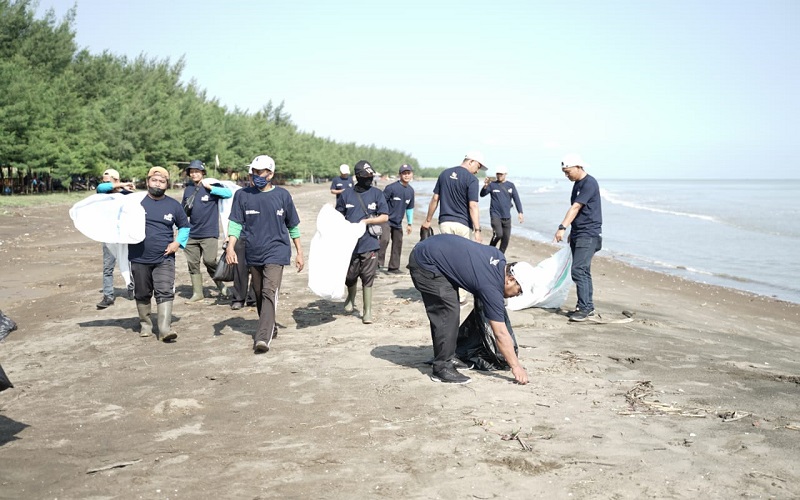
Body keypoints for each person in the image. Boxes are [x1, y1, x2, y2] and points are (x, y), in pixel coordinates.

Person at [407, 234, 530, 385]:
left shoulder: (499, 257)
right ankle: (442, 368)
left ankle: (450, 354)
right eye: (519, 290)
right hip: (425, 262)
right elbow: (500, 333)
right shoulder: (490, 287)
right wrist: (516, 367)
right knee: (447, 311)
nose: (517, 295)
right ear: (510, 279)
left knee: (452, 308)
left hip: (433, 250)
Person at [226, 155, 304, 354]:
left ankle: (262, 337)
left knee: (269, 291)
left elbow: (292, 225)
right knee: (260, 293)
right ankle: (270, 325)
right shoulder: (242, 195)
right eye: (253, 171)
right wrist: (230, 247)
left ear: (271, 174)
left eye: (259, 172)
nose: (255, 175)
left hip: (277, 251)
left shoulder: (283, 196)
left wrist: (299, 252)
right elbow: (235, 223)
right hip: (253, 250)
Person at [130, 167, 190, 342]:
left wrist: (177, 243)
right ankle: (146, 324)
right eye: (154, 180)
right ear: (148, 181)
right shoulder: (136, 202)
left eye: (162, 181)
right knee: (142, 292)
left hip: (164, 257)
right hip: (138, 256)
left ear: (167, 184)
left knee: (164, 290)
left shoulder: (173, 205)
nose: (157, 183)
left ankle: (164, 329)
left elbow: (185, 227)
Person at [336, 160, 389, 324]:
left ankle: (367, 312)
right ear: (358, 176)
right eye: (366, 176)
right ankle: (351, 298)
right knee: (350, 276)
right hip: (350, 245)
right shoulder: (346, 194)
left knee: (368, 277)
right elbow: (338, 217)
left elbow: (384, 216)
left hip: (370, 243)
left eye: (371, 176)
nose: (369, 179)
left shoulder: (377, 194)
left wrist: (367, 222)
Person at [553, 154, 603, 322]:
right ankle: (587, 306)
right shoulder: (577, 184)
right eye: (564, 172)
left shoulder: (590, 183)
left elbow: (576, 207)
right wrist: (572, 232)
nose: (566, 175)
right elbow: (578, 211)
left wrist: (562, 227)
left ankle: (585, 308)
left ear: (578, 167)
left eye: (568, 172)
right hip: (579, 232)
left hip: (589, 234)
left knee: (578, 270)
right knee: (584, 271)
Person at [181, 159, 233, 303]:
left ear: (203, 172)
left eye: (197, 171)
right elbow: (182, 210)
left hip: (209, 233)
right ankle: (198, 293)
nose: (194, 174)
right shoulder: (188, 189)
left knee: (210, 260)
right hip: (191, 233)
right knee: (193, 263)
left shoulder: (211, 186)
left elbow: (228, 193)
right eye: (192, 171)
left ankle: (221, 285)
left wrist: (210, 187)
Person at [421, 151, 486, 243]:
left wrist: (428, 220)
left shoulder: (444, 174)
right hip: (464, 225)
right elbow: (473, 206)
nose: (477, 171)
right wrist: (477, 230)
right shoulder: (472, 180)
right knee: (461, 255)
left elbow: (435, 199)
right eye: (478, 166)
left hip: (445, 223)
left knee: (445, 255)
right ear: (471, 162)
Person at [95, 168, 136, 309]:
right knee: (108, 267)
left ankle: (132, 287)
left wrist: (126, 189)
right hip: (108, 236)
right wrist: (122, 185)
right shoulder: (102, 193)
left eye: (109, 181)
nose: (105, 184)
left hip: (125, 235)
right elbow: (101, 187)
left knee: (130, 263)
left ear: (116, 180)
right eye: (104, 180)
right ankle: (108, 296)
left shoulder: (127, 195)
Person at [377, 164, 415, 274]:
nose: (407, 175)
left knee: (398, 243)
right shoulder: (391, 188)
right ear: (400, 175)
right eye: (404, 173)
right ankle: (377, 265)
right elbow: (381, 202)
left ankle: (394, 267)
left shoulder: (411, 191)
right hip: (386, 220)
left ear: (412, 174)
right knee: (384, 240)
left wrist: (410, 223)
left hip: (398, 222)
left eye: (408, 173)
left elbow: (410, 208)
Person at [480, 165, 524, 254]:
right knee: (498, 234)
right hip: (495, 215)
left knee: (505, 240)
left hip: (507, 217)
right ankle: (489, 252)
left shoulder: (511, 185)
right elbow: (482, 194)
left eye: (501, 174)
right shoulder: (492, 185)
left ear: (505, 174)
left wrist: (520, 212)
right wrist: (485, 185)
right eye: (497, 174)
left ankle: (500, 257)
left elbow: (516, 199)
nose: (499, 176)